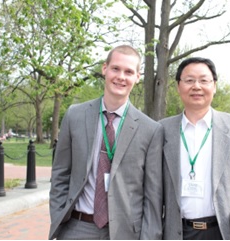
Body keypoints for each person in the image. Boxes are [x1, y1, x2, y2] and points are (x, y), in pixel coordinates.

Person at [49, 45, 163, 240]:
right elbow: (61, 173)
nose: (121, 77)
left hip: (126, 233)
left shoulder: (150, 129)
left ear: (138, 77)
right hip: (77, 228)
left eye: (129, 72)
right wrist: (58, 214)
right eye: (116, 69)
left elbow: (152, 196)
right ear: (105, 69)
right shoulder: (75, 115)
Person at [160, 57, 230, 240]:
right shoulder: (162, 130)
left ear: (214, 86)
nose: (196, 86)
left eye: (204, 80)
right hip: (177, 233)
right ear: (178, 86)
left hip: (223, 232)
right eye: (189, 80)